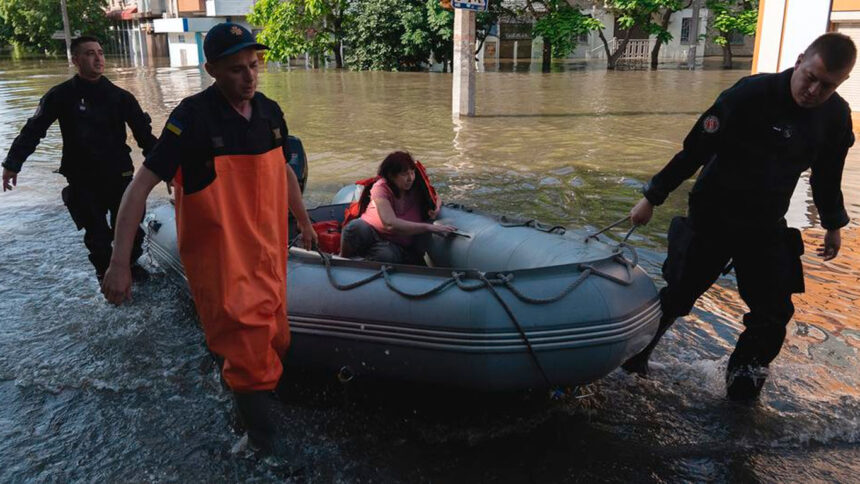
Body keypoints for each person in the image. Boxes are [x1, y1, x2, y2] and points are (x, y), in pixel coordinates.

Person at [100, 23, 317, 454]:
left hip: (267, 255)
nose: (249, 76)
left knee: (276, 338)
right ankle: (262, 446)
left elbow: (283, 171)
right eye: (237, 69)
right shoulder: (191, 118)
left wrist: (305, 222)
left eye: (254, 65)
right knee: (247, 348)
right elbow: (138, 188)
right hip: (220, 262)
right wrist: (119, 262)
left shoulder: (270, 112)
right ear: (212, 69)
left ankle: (238, 402)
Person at [621, 33, 856, 402]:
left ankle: (742, 392)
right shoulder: (749, 95)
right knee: (679, 296)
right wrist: (653, 196)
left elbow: (828, 175)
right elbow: (695, 150)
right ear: (799, 61)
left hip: (765, 225)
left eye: (826, 86)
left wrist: (832, 224)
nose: (813, 90)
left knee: (773, 314)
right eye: (810, 76)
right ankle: (632, 363)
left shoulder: (835, 117)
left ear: (840, 84)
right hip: (714, 213)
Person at [2, 36, 157, 282]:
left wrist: (167, 169)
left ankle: (131, 270)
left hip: (120, 176)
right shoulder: (60, 95)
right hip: (83, 179)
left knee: (129, 232)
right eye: (90, 54)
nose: (98, 58)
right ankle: (104, 277)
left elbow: (145, 136)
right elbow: (34, 129)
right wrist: (12, 164)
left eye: (101, 53)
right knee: (97, 238)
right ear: (75, 60)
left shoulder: (120, 97)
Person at [340, 151, 455, 264]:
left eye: (412, 172)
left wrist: (437, 208)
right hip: (372, 231)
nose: (410, 178)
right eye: (404, 174)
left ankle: (364, 261)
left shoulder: (417, 186)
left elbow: (435, 197)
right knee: (354, 228)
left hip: (396, 243)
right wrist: (429, 227)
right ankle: (342, 261)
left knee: (385, 255)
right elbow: (389, 223)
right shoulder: (381, 187)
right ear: (391, 175)